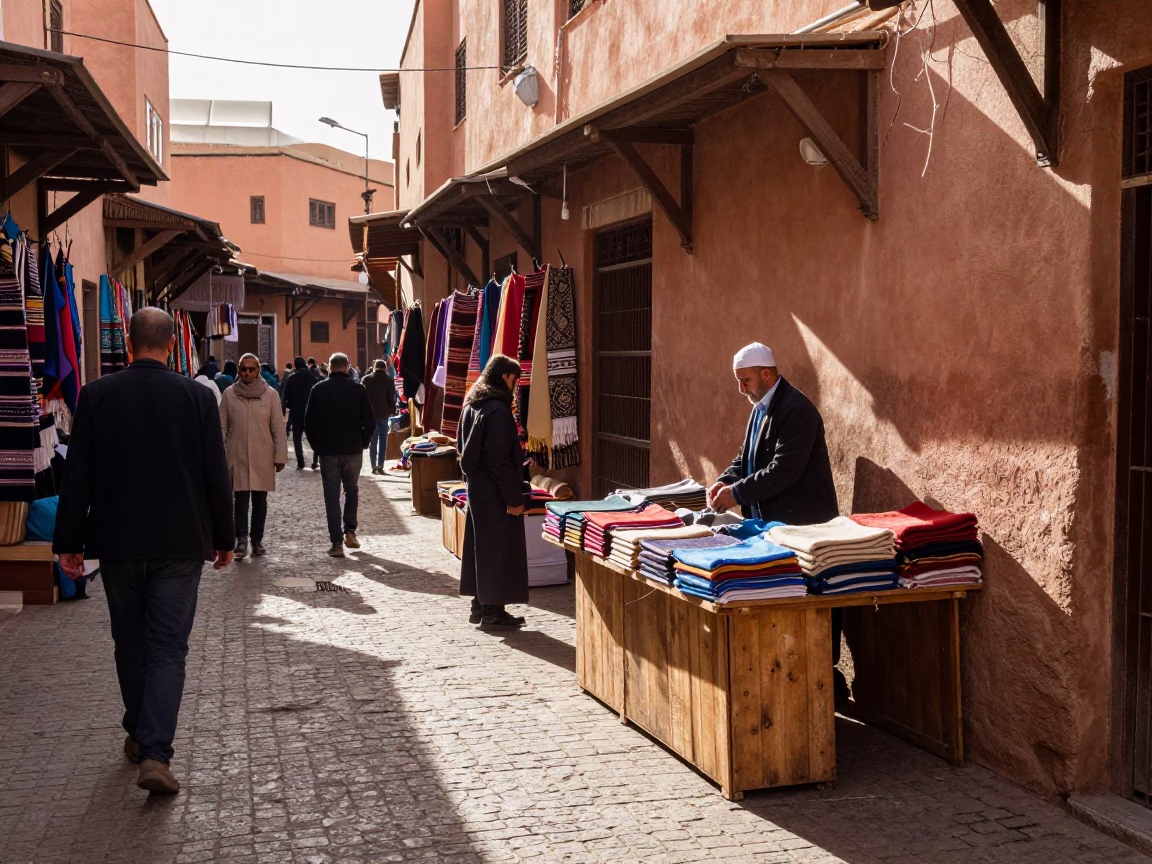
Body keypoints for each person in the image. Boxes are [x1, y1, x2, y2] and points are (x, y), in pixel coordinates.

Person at [54, 307, 234, 795]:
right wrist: (225, 538)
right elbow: (215, 475)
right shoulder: (196, 397)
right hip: (179, 542)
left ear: (128, 345)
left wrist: (69, 543)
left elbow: (78, 477)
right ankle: (154, 750)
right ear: (173, 346)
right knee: (168, 647)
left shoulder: (97, 396)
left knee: (130, 643)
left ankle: (140, 733)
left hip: (117, 542)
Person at [707, 342, 844, 701]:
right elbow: (746, 457)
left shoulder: (797, 410)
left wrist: (736, 494)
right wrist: (725, 479)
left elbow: (784, 470)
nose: (742, 389)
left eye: (746, 380)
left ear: (766, 374)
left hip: (804, 527)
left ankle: (823, 687)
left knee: (808, 608)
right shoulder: (761, 407)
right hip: (774, 525)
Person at [457, 354, 529, 631]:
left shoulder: (472, 404)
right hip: (494, 493)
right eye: (515, 378)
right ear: (504, 377)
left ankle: (482, 605)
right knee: (496, 550)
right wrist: (512, 498)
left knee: (483, 548)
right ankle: (491, 611)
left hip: (478, 489)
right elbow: (499, 460)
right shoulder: (497, 411)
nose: (516, 384)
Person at [304, 352, 375, 558]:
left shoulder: (318, 389)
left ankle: (336, 542)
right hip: (352, 449)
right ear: (347, 367)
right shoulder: (358, 389)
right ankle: (350, 531)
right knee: (351, 490)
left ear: (329, 368)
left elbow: (309, 423)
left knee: (331, 496)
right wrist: (363, 441)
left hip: (328, 451)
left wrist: (317, 446)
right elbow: (369, 422)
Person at [221, 353, 288, 557]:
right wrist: (218, 456)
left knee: (260, 501)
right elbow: (221, 427)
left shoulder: (271, 395)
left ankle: (257, 540)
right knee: (239, 500)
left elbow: (278, 427)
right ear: (239, 370)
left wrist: (280, 456)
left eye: (251, 369)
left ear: (258, 370)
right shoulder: (229, 394)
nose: (247, 373)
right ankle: (241, 539)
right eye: (244, 369)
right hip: (237, 455)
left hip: (262, 456)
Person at [281, 356, 319, 470]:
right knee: (314, 437)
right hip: (311, 412)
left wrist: (286, 407)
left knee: (297, 438)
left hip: (296, 412)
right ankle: (315, 460)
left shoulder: (292, 378)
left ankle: (300, 462)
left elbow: (286, 395)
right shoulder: (312, 377)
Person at [363, 359, 397, 475]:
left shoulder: (366, 379)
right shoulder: (388, 380)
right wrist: (393, 409)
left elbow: (363, 398)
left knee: (373, 440)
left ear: (374, 367)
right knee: (383, 440)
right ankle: (381, 464)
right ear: (385, 368)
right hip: (384, 414)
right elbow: (391, 397)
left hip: (371, 414)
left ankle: (373, 465)